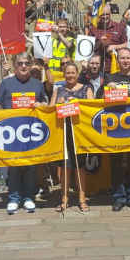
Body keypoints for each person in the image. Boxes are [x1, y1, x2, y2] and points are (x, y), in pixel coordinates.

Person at [0, 53, 48, 214]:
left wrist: (40, 104)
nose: (23, 66)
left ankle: (29, 197)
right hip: (11, 132)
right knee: (13, 167)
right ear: (15, 66)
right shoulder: (6, 84)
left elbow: (45, 102)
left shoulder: (37, 84)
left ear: (31, 65)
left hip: (31, 132)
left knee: (30, 167)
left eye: (26, 63)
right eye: (20, 63)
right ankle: (14, 198)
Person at [97, 48, 130, 211]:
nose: (125, 61)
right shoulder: (110, 77)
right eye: (122, 58)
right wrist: (107, 87)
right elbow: (99, 99)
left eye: (128, 58)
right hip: (116, 129)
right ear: (117, 61)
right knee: (116, 163)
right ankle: (118, 197)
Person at [50, 62, 93, 212]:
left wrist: (79, 105)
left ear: (77, 73)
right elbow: (49, 111)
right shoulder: (58, 90)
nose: (70, 75)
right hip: (63, 134)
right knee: (65, 167)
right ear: (63, 74)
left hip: (80, 135)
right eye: (67, 73)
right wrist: (57, 105)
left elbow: (91, 109)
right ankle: (64, 197)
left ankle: (82, 198)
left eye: (72, 72)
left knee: (80, 167)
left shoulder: (86, 88)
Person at [88, 5, 127, 73]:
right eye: (102, 15)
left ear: (110, 14)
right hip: (97, 69)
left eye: (107, 14)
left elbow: (126, 44)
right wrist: (100, 42)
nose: (105, 17)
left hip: (116, 68)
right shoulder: (93, 28)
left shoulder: (119, 27)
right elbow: (88, 48)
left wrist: (115, 47)